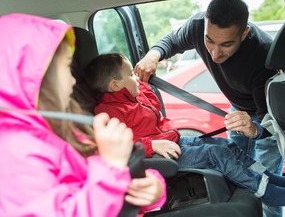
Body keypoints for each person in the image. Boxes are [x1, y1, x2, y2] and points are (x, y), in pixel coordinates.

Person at [83, 52, 285, 209]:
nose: (136, 77)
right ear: (114, 85)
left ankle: (269, 177)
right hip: (160, 155)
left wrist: (140, 84)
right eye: (130, 74)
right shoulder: (109, 111)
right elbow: (117, 144)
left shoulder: (133, 96)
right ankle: (266, 191)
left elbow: (154, 105)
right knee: (217, 154)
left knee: (227, 144)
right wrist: (152, 145)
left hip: (175, 141)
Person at [0, 13, 166, 217]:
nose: (72, 80)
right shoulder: (15, 154)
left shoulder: (63, 129)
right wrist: (111, 167)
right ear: (36, 77)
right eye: (67, 68)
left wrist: (151, 188)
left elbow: (98, 183)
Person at [133, 0, 284, 217]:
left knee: (267, 185)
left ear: (244, 33)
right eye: (209, 41)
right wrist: (153, 55)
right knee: (238, 174)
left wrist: (255, 129)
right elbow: (171, 41)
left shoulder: (262, 55)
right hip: (235, 111)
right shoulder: (197, 26)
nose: (214, 53)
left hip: (264, 117)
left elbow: (267, 123)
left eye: (226, 44)